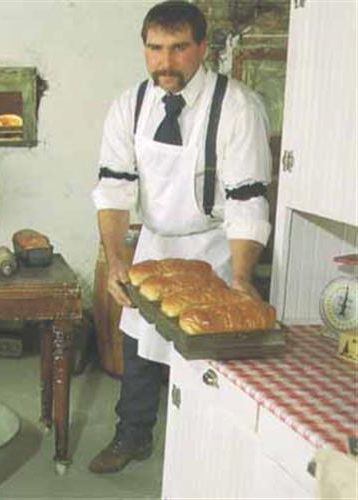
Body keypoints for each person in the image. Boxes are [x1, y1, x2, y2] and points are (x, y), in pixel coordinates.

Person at [90, 1, 271, 473]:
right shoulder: (128, 106)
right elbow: (113, 189)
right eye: (154, 49)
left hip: (217, 248)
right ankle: (132, 437)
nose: (164, 63)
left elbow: (247, 199)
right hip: (154, 246)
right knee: (139, 349)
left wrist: (242, 275)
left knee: (211, 366)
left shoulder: (238, 108)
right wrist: (116, 261)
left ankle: (211, 457)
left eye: (178, 49)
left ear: (203, 48)